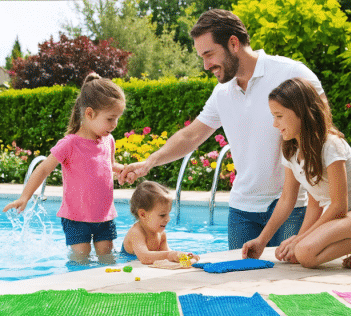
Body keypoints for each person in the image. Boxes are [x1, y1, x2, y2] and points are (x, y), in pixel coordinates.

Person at [119, 9, 328, 251]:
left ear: (233, 43)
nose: (206, 65)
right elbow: (191, 135)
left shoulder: (292, 73)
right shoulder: (222, 92)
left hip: (293, 206)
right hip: (242, 210)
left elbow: (323, 131)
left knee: (289, 279)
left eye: (209, 54)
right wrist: (149, 162)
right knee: (238, 280)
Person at [242, 77, 351, 268]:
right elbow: (292, 199)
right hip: (344, 219)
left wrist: (300, 240)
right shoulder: (291, 150)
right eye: (273, 116)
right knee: (300, 254)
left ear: (301, 112)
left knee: (304, 252)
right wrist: (262, 240)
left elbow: (339, 206)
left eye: (279, 116)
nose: (274, 124)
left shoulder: (330, 145)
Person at [3, 73, 125, 262]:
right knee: (80, 259)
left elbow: (109, 165)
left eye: (117, 118)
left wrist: (124, 170)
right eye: (110, 119)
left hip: (104, 215)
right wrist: (24, 197)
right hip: (76, 218)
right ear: (89, 113)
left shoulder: (108, 141)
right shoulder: (70, 144)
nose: (115, 124)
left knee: (107, 258)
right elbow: (43, 169)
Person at [121, 181, 200, 265]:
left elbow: (167, 254)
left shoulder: (161, 235)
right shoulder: (136, 232)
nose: (168, 219)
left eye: (168, 214)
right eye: (162, 215)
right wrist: (171, 255)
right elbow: (145, 257)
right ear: (143, 214)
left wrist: (184, 256)